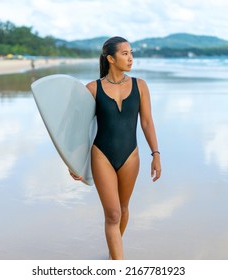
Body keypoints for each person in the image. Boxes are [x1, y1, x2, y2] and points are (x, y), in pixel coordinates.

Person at [70, 36, 161, 260]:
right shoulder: (92, 89)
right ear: (110, 58)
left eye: (131, 53)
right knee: (112, 214)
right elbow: (79, 131)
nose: (130, 58)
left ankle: (112, 256)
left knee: (123, 208)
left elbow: (147, 122)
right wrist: (72, 161)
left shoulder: (140, 86)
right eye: (124, 54)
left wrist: (156, 154)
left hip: (131, 155)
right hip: (101, 154)